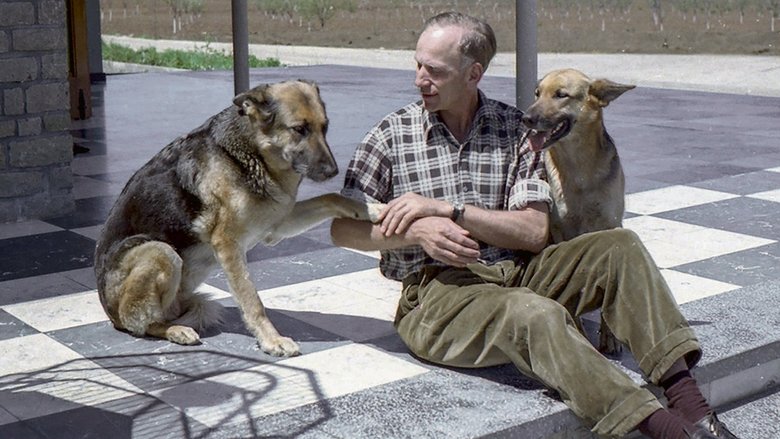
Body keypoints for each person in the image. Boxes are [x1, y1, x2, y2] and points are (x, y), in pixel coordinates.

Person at [330, 11, 739, 439]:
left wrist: (447, 210)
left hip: (519, 273)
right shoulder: (389, 136)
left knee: (621, 244)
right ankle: (671, 432)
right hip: (438, 295)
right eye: (417, 65)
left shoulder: (515, 130)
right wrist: (414, 232)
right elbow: (342, 228)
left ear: (473, 74)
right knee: (536, 314)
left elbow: (532, 232)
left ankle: (693, 407)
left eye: (434, 70)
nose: (419, 79)